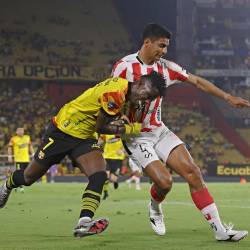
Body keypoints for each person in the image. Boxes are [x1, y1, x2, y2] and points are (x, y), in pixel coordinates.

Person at [111, 23, 250, 241]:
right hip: (136, 136)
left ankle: (220, 230)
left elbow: (196, 81)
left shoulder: (166, 67)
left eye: (166, 47)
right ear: (147, 42)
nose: (164, 52)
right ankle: (155, 207)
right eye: (161, 46)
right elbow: (112, 99)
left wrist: (227, 97)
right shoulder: (124, 68)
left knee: (193, 172)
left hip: (159, 130)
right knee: (165, 183)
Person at [0, 72, 166, 238]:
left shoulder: (124, 88)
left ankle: (84, 222)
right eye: (147, 96)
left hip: (84, 137)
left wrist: (119, 116)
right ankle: (7, 185)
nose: (145, 101)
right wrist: (130, 129)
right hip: (62, 131)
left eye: (150, 99)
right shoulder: (116, 93)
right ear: (139, 83)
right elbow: (101, 128)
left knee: (99, 175)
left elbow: (101, 110)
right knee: (29, 177)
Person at [99, 134, 126, 200]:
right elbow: (100, 140)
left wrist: (122, 150)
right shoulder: (106, 131)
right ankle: (105, 193)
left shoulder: (122, 130)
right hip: (107, 157)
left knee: (113, 178)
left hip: (118, 158)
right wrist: (96, 145)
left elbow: (128, 142)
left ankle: (115, 181)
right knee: (105, 176)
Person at [7, 127, 34, 192]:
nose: (20, 132)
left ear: (23, 131)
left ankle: (16, 185)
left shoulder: (27, 137)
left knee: (25, 173)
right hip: (18, 159)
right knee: (19, 173)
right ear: (16, 132)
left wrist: (33, 153)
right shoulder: (13, 139)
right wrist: (10, 156)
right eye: (19, 130)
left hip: (26, 159)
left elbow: (30, 146)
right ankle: (20, 187)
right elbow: (10, 148)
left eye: (22, 130)